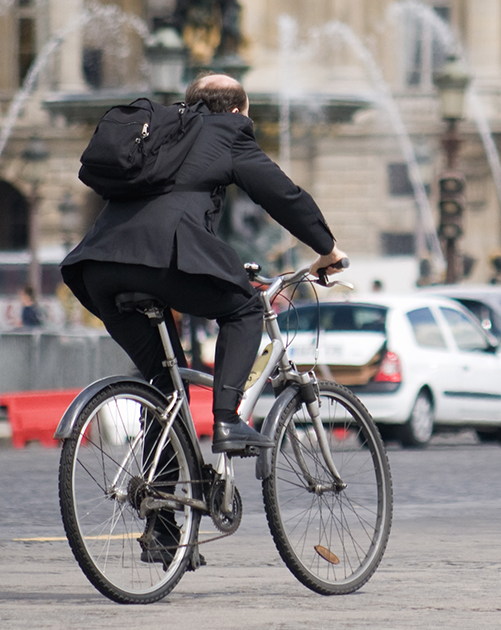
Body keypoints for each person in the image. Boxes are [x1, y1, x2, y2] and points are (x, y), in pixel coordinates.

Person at [60, 71, 347, 458]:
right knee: (245, 308)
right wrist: (327, 248)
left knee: (164, 389)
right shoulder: (228, 130)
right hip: (162, 257)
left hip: (97, 265)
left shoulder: (161, 130)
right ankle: (227, 419)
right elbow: (281, 195)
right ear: (235, 109)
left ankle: (160, 510)